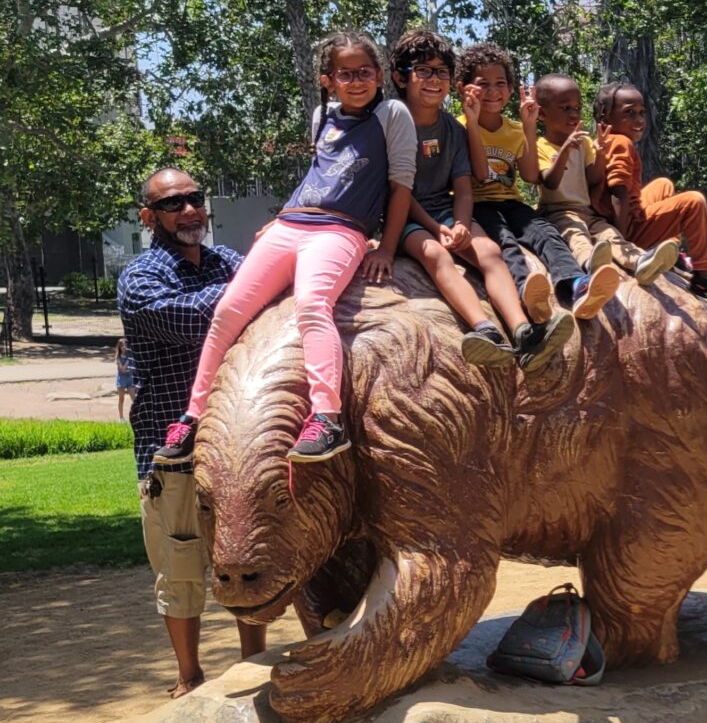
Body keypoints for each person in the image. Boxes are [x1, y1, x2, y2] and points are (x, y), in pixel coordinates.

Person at [152, 30, 416, 467]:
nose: (355, 81)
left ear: (380, 74)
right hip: (292, 223)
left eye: (364, 72)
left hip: (342, 230)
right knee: (227, 312)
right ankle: (193, 415)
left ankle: (327, 418)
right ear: (328, 79)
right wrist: (281, 215)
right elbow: (319, 174)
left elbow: (399, 183)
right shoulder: (322, 115)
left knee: (313, 305)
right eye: (344, 74)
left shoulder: (391, 114)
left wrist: (385, 247)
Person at [117, 167, 266, 699]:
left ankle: (257, 665)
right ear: (148, 216)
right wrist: (258, 281)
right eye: (173, 203)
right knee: (181, 569)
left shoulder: (225, 262)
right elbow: (201, 318)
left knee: (243, 559)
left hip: (236, 443)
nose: (189, 211)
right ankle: (189, 677)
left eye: (195, 199)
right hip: (170, 450)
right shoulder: (141, 279)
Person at [390, 30, 571, 372]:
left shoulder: (454, 130)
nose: (434, 80)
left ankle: (522, 331)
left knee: (488, 251)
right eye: (424, 71)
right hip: (407, 215)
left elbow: (465, 185)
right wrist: (438, 229)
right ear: (402, 77)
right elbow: (401, 192)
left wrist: (459, 223)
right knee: (435, 254)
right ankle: (485, 329)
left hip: (446, 208)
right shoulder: (394, 123)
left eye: (441, 71)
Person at [456, 43, 620, 326]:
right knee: (504, 241)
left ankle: (575, 284)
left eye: (501, 83)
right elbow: (481, 175)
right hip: (476, 203)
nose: (494, 92)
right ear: (465, 88)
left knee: (545, 232)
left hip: (510, 201)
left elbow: (531, 176)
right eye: (484, 84)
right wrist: (472, 122)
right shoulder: (457, 126)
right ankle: (525, 291)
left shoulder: (515, 129)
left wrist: (529, 126)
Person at [590, 82, 707, 300]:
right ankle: (704, 274)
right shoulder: (620, 142)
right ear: (605, 116)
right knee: (693, 202)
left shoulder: (605, 141)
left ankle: (671, 249)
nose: (639, 120)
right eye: (629, 113)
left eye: (641, 113)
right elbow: (617, 191)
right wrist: (621, 242)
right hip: (623, 228)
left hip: (622, 217)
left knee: (663, 185)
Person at [533, 73, 677, 286]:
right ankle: (590, 262)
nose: (573, 114)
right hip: (558, 211)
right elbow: (550, 182)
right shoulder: (540, 146)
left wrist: (599, 153)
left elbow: (594, 177)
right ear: (543, 114)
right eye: (565, 108)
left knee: (610, 233)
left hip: (586, 210)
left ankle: (639, 261)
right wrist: (564, 150)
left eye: (577, 108)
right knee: (576, 235)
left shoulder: (583, 144)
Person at [114, 337, 136, 421]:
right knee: (121, 398)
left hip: (129, 379)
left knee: (134, 398)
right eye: (122, 346)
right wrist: (125, 368)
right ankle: (121, 417)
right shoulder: (118, 356)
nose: (124, 347)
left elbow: (127, 366)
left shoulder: (130, 355)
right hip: (121, 379)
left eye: (125, 345)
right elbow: (121, 368)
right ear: (119, 347)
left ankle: (136, 415)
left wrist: (126, 368)